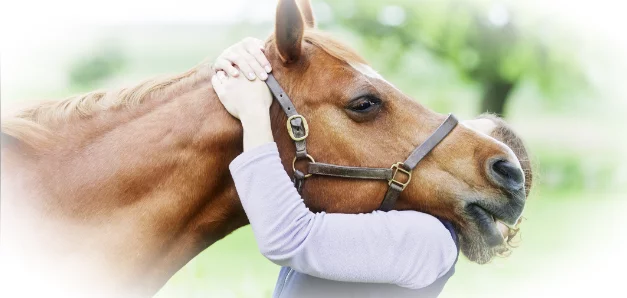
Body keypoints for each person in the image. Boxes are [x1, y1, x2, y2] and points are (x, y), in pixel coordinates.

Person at [210, 38, 528, 298]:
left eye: (473, 143)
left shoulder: (430, 241)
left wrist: (252, 111)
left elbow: (291, 237)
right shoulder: (384, 213)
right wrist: (250, 62)